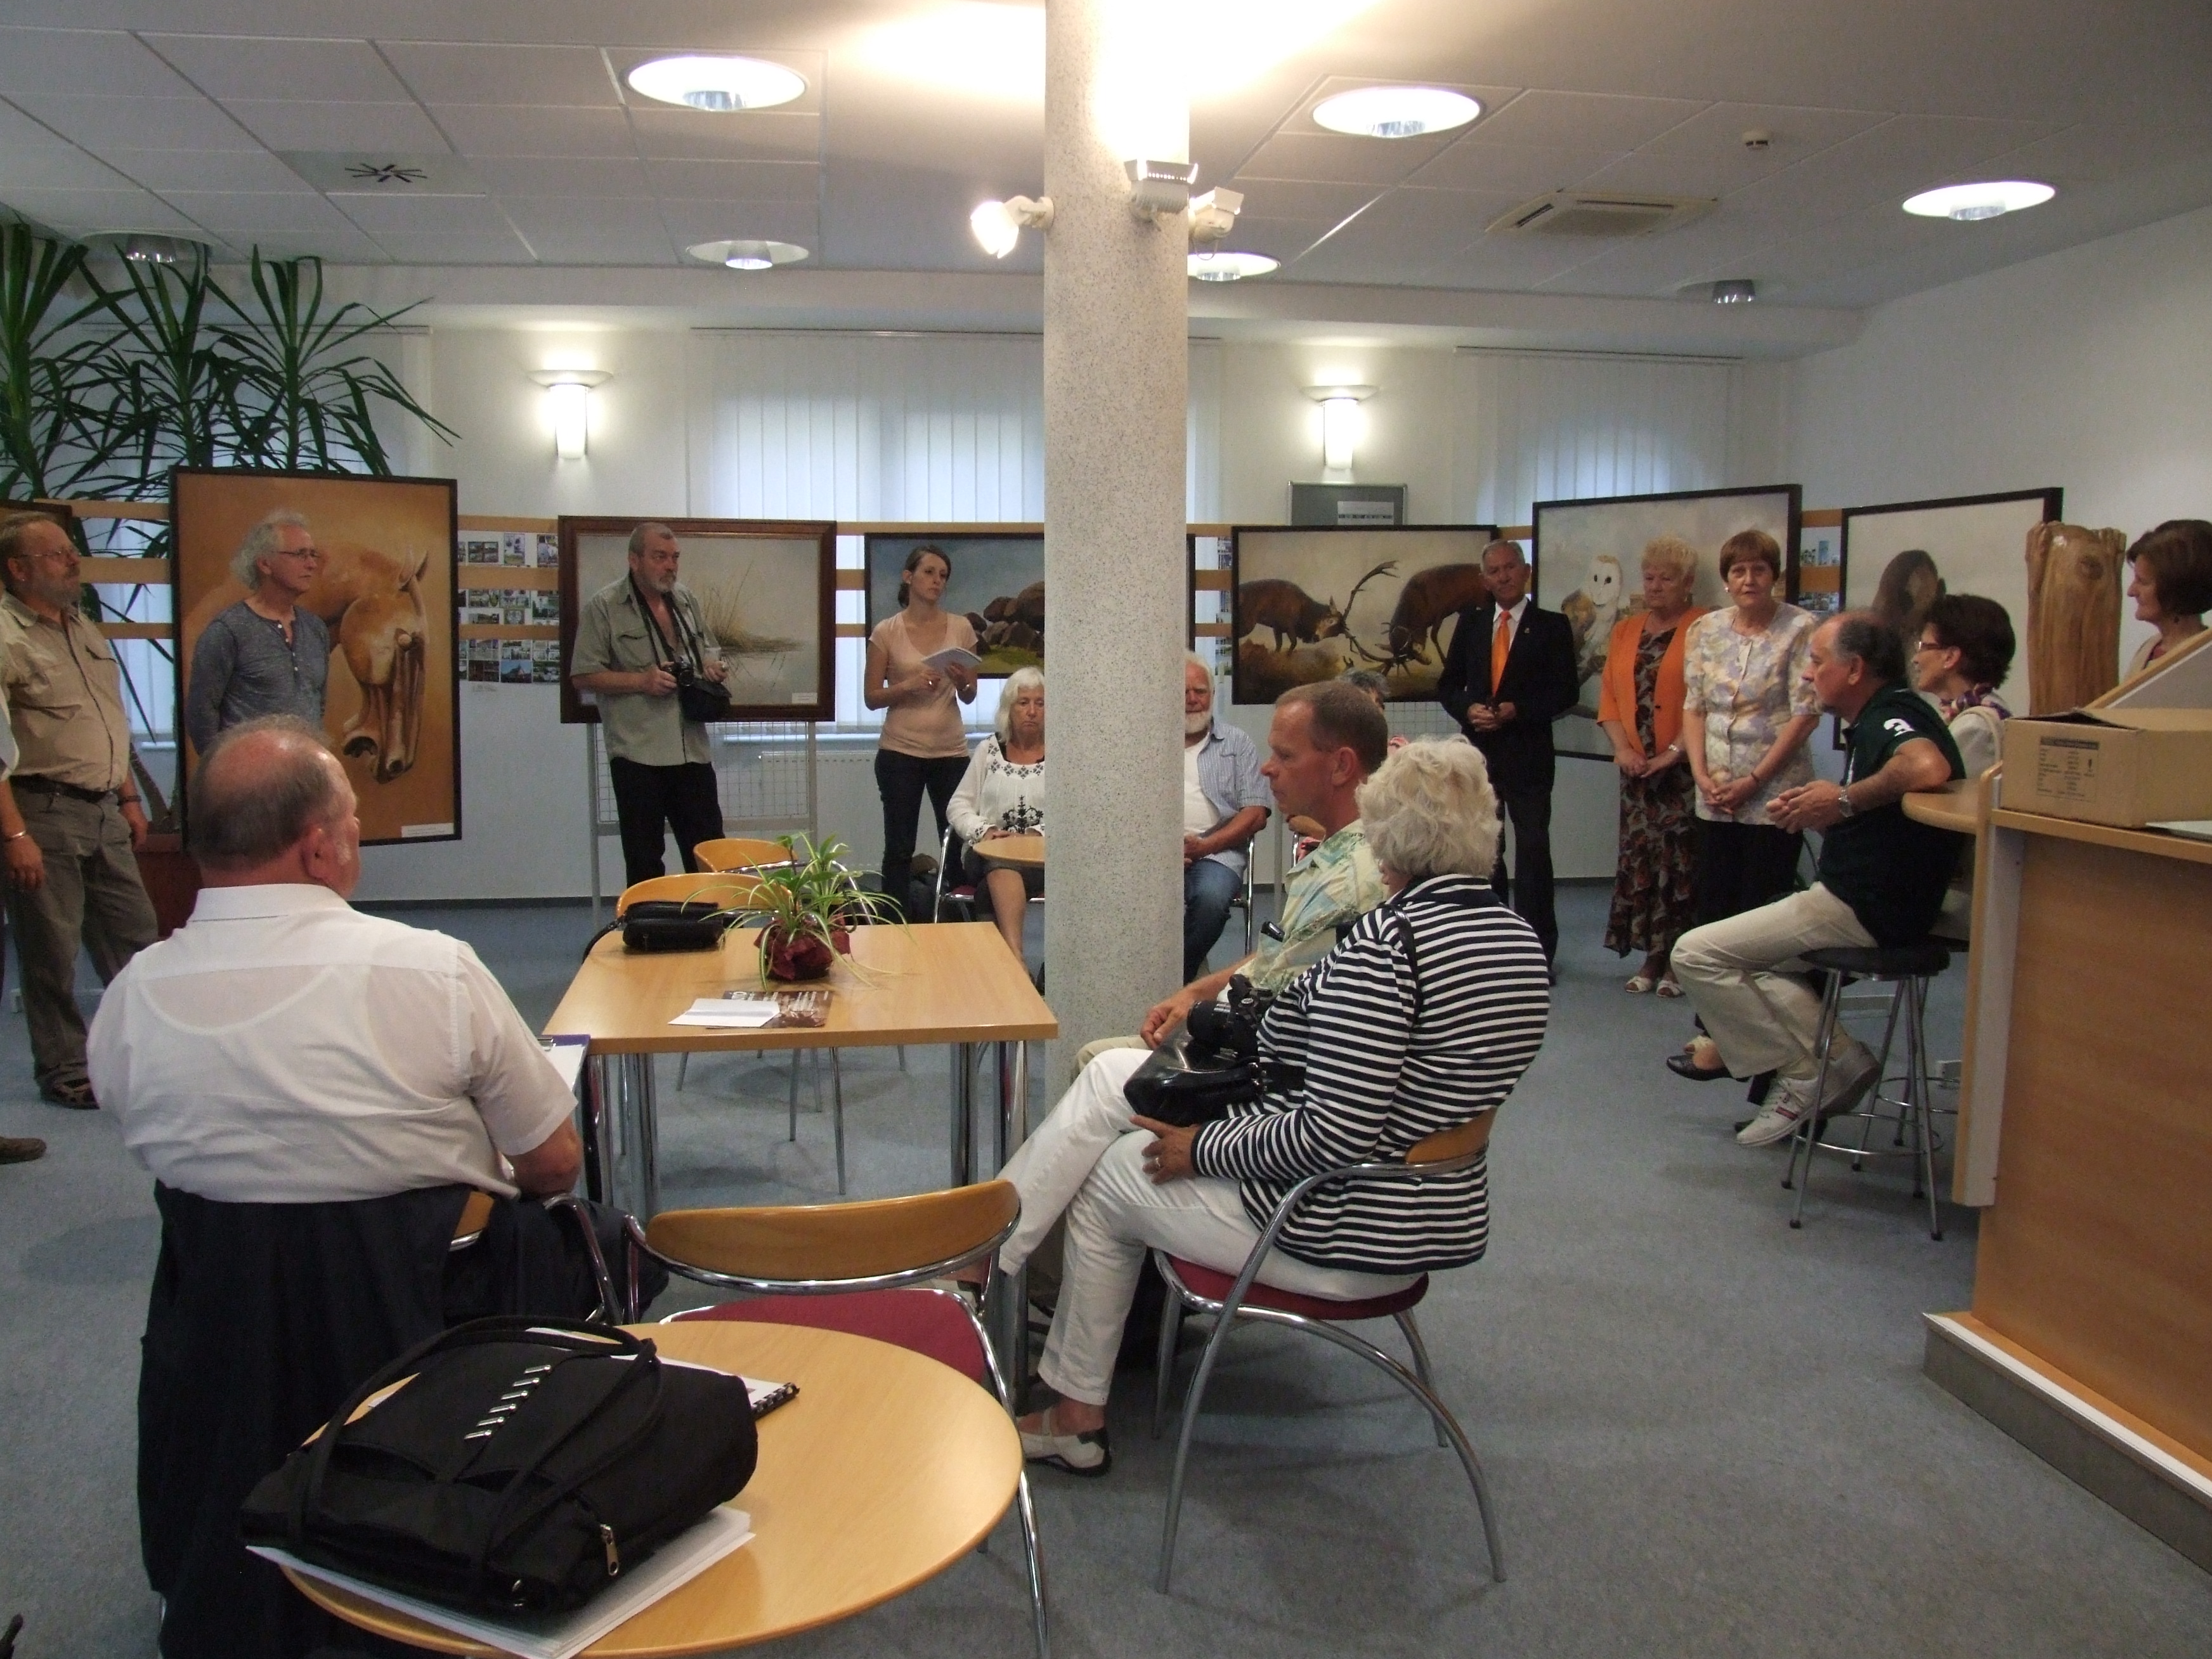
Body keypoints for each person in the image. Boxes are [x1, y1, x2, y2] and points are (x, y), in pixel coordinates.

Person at [987, 738, 1551, 1474]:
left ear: (1391, 837)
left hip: (1343, 1221)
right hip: (1431, 1210)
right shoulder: (1515, 940)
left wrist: (1200, 1147)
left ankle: (1070, 1412)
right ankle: (992, 1267)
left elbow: (1330, 1136)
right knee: (1116, 1092)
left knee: (1109, 1178)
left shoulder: (1387, 948)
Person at [88, 715, 584, 1204]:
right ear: (319, 851)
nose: (358, 829)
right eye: (351, 817)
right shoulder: (435, 972)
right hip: (433, 1257)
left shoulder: (129, 999)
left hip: (215, 1259)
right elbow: (554, 1166)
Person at [1671, 613, 1965, 1148]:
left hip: (1863, 906)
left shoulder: (1891, 715)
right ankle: (1838, 1060)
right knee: (1750, 964)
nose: (1808, 675)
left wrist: (1844, 800)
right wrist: (1825, 810)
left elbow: (1927, 767)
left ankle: (1806, 1074)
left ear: (1854, 670)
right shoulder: (1881, 716)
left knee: (1695, 955)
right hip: (1866, 898)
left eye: (1817, 661)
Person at [0, 511, 159, 1110]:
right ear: (19, 569)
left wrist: (128, 796)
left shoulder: (84, 628)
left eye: (71, 551)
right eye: (57, 553)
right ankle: (65, 1069)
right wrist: (14, 834)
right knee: (52, 951)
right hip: (42, 809)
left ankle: (147, 1056)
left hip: (104, 809)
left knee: (136, 939)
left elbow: (108, 720)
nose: (74, 560)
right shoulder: (6, 634)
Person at [1669, 529, 1821, 1080]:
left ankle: (1772, 1041)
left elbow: (1805, 713)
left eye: (1759, 569)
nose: (1749, 579)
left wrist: (1755, 779)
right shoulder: (1705, 630)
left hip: (1775, 797)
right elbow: (1694, 706)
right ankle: (1716, 1033)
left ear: (1774, 575)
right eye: (1738, 571)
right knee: (1714, 912)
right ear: (1726, 579)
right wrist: (1701, 774)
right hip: (1715, 794)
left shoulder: (1801, 629)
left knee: (1761, 914)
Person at [1436, 538, 1578, 973]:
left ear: (1526, 571)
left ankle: (1538, 952)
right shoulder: (1472, 623)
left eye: (1510, 567)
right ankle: (1494, 948)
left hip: (1529, 757)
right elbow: (1448, 686)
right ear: (1484, 580)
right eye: (1494, 571)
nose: (1504, 577)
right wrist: (1468, 709)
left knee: (1533, 853)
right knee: (1486, 854)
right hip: (1480, 758)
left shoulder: (1552, 626)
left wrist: (1520, 709)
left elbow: (1566, 692)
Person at [570, 522, 732, 887]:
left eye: (675, 558)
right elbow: (583, 676)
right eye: (660, 557)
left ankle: (713, 920)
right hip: (638, 754)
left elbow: (708, 647)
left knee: (710, 857)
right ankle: (649, 921)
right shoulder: (605, 606)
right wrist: (641, 681)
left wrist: (712, 665)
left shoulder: (685, 600)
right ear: (635, 560)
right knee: (645, 861)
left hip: (691, 750)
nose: (670, 566)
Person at [1596, 537, 1709, 998]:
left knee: (1680, 864)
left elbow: (1706, 700)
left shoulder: (1705, 626)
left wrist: (1674, 753)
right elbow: (1609, 697)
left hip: (1685, 770)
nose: (1656, 586)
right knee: (1641, 860)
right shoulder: (1625, 630)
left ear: (1688, 582)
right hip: (1637, 772)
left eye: (1667, 578)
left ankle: (1680, 960)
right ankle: (1650, 955)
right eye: (1650, 577)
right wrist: (1623, 749)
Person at [866, 544, 980, 917]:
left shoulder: (961, 628)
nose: (937, 581)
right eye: (929, 572)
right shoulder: (887, 631)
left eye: (943, 575)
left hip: (950, 752)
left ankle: (961, 922)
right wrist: (909, 686)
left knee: (958, 842)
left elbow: (970, 695)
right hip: (900, 752)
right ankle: (895, 926)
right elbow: (871, 697)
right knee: (900, 847)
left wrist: (962, 682)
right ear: (908, 577)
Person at [183, 509, 329, 755]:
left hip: (306, 772)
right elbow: (201, 713)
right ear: (265, 564)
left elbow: (317, 705)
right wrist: (223, 770)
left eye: (313, 554)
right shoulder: (228, 630)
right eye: (300, 554)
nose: (312, 564)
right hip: (248, 774)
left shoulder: (316, 630)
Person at [1912, 592, 2016, 937]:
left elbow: (1943, 821)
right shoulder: (1972, 713)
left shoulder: (1975, 727)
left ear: (1951, 656)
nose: (1916, 657)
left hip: (1958, 894)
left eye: (1923, 646)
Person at [1179, 652, 1272, 982]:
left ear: (1213, 695)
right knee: (1130, 898)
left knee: (1211, 900)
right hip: (1156, 853)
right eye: (1183, 692)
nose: (1192, 700)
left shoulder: (1236, 742)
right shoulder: (1147, 745)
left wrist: (1205, 847)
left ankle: (1176, 979)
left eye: (1200, 691)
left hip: (1217, 852)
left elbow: (1256, 813)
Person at [947, 665, 1045, 958]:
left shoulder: (1063, 755)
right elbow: (958, 805)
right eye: (1023, 703)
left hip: (1042, 857)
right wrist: (986, 831)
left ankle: (1010, 964)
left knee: (988, 889)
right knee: (999, 862)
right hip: (988, 851)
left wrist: (1033, 836)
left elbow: (1075, 813)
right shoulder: (989, 750)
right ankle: (1017, 960)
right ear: (1009, 710)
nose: (1031, 712)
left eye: (1040, 703)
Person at [2122, 519, 2212, 677]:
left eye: (2143, 582)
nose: (2131, 591)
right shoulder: (2148, 649)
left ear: (2177, 588)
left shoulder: (2204, 661)